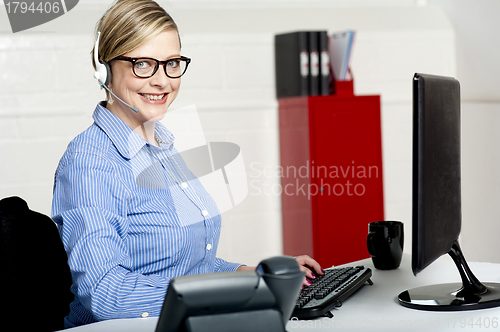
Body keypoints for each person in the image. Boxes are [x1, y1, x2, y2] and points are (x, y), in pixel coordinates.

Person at [51, 0, 323, 328]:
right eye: (143, 64)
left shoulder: (163, 143)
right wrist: (233, 294)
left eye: (172, 63)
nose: (162, 81)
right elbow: (106, 292)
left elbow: (190, 265)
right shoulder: (90, 164)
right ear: (105, 69)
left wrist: (254, 276)